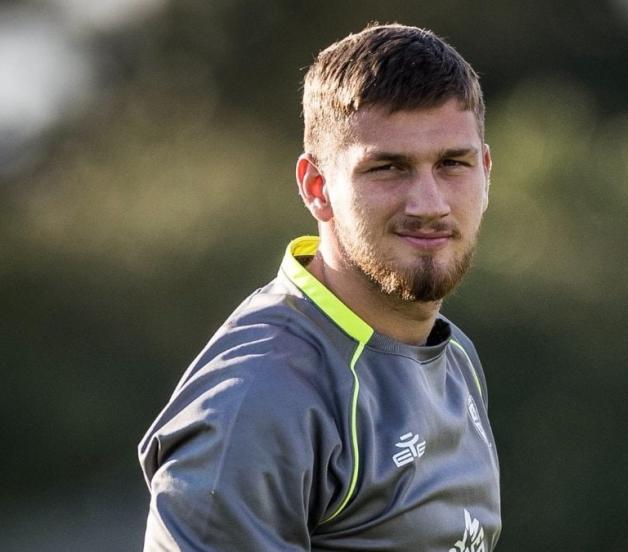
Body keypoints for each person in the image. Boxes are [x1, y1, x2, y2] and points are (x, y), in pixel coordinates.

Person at [138, 23, 500, 551]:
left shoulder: (453, 355)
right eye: (387, 167)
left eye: (452, 164)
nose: (429, 204)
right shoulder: (258, 400)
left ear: (485, 172)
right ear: (317, 187)